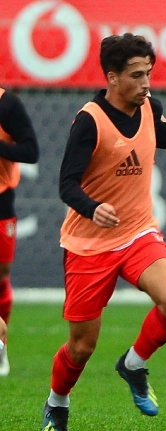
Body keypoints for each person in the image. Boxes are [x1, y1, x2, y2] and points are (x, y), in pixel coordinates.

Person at [41, 33, 166, 431]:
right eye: (136, 76)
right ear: (112, 78)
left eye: (149, 74)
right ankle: (57, 403)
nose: (146, 83)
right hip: (89, 244)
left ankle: (133, 365)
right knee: (82, 346)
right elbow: (66, 184)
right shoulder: (90, 121)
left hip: (138, 232)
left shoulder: (149, 106)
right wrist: (92, 208)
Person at [0, 87, 40, 376]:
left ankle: (1, 345)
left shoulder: (7, 104)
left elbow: (30, 150)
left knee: (2, 274)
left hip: (1, 201)